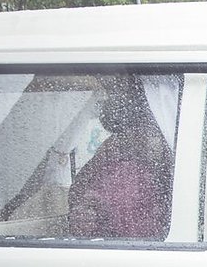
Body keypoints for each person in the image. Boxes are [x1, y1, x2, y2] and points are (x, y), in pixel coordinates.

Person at [68, 77, 173, 239]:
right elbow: (79, 201)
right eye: (147, 130)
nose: (147, 137)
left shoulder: (109, 155)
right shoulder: (114, 161)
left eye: (151, 131)